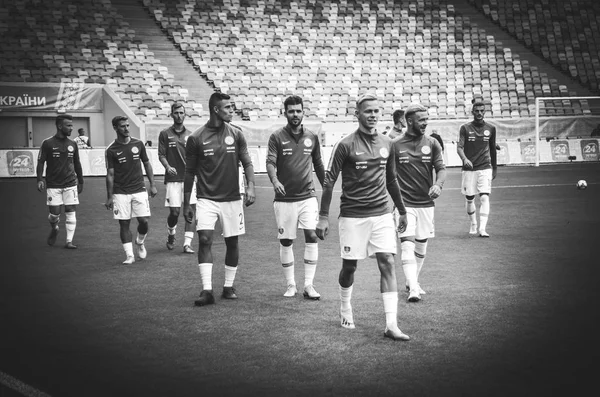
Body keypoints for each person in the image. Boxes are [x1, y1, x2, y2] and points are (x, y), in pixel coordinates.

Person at [316, 93, 410, 341]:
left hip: (381, 214)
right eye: (368, 111)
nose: (373, 115)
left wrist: (401, 210)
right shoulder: (345, 144)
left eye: (377, 111)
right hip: (352, 217)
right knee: (350, 267)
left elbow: (391, 180)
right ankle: (345, 306)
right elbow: (329, 182)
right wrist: (323, 216)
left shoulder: (386, 143)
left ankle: (391, 324)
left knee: (388, 262)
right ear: (357, 114)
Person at [183, 92, 256, 306]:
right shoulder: (196, 138)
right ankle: (207, 290)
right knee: (204, 239)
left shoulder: (237, 133)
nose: (232, 111)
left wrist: (251, 186)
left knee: (232, 242)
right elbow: (189, 172)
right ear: (216, 110)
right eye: (228, 108)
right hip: (206, 198)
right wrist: (186, 203)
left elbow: (247, 163)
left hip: (232, 198)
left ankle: (228, 286)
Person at [266, 95, 326, 299]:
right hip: (284, 199)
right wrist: (275, 181)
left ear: (303, 112)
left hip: (307, 196)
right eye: (291, 111)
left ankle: (309, 285)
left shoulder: (312, 137)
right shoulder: (276, 137)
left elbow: (318, 165)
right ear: (285, 113)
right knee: (286, 241)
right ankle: (291, 284)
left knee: (311, 235)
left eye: (298, 111)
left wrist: (326, 185)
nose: (295, 114)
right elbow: (270, 163)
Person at [392, 104, 447, 303]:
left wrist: (438, 185)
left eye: (426, 119)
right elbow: (388, 175)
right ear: (409, 121)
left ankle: (412, 281)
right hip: (404, 205)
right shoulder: (395, 144)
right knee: (407, 244)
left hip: (426, 204)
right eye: (421, 119)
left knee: (421, 245)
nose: (425, 123)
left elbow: (441, 169)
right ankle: (413, 288)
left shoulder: (432, 143)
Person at [105, 116, 158, 264]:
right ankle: (129, 255)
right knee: (124, 223)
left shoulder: (138, 144)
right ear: (115, 128)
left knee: (144, 221)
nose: (127, 128)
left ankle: (140, 242)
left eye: (128, 125)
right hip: (120, 191)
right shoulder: (111, 149)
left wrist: (152, 185)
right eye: (122, 126)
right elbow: (110, 174)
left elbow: (147, 164)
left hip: (139, 189)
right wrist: (109, 197)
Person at [36, 114, 84, 249]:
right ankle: (55, 227)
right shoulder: (47, 143)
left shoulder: (73, 144)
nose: (71, 128)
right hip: (53, 184)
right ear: (59, 126)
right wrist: (39, 179)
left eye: (72, 125)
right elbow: (40, 162)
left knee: (70, 210)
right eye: (68, 125)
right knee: (54, 214)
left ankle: (69, 241)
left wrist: (81, 180)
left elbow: (77, 163)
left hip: (70, 183)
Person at [158, 102, 196, 254]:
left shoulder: (192, 135)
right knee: (174, 212)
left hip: (190, 179)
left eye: (181, 113)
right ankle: (171, 234)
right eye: (176, 113)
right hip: (173, 179)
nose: (179, 115)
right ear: (171, 114)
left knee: (191, 211)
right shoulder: (165, 134)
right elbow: (161, 155)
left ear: (185, 114)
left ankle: (187, 244)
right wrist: (167, 166)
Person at [457, 99, 497, 238]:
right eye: (477, 111)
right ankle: (473, 223)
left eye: (482, 111)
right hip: (469, 169)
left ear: (485, 112)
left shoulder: (491, 128)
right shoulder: (465, 128)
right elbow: (460, 147)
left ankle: (482, 228)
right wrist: (465, 159)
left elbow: (492, 149)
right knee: (470, 199)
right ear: (472, 112)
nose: (479, 113)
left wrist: (495, 168)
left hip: (485, 167)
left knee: (485, 197)